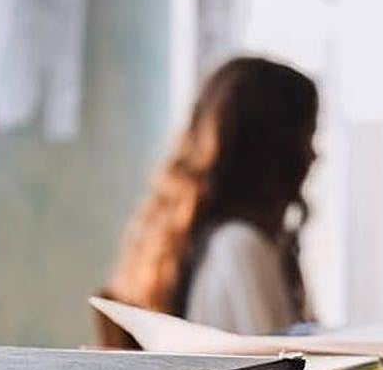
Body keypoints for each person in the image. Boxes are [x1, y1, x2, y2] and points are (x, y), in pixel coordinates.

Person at [105, 56, 318, 338]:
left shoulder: (196, 242)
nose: (314, 155)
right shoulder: (240, 245)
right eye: (307, 138)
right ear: (272, 150)